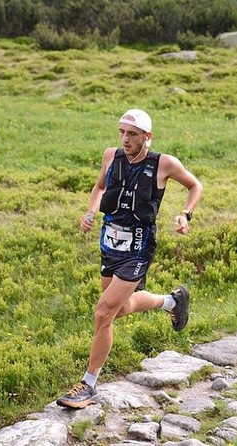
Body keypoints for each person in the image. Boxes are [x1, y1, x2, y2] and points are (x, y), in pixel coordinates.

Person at [56, 109, 203, 409]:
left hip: (139, 247)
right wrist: (90, 211)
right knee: (119, 309)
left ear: (147, 136)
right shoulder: (111, 156)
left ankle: (88, 384)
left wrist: (185, 214)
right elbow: (99, 188)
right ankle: (172, 302)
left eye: (132, 134)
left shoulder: (164, 163)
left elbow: (194, 185)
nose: (125, 138)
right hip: (110, 243)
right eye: (122, 132)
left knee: (103, 313)